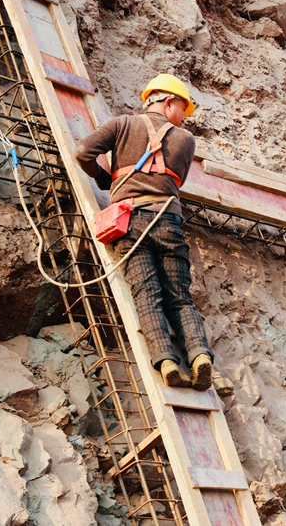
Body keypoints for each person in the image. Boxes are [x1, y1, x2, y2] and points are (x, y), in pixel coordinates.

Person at [75, 73, 214, 390]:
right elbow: (173, 182)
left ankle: (166, 362)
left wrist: (104, 178)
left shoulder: (121, 124)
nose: (183, 117)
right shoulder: (185, 141)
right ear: (168, 103)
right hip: (167, 220)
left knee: (146, 296)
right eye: (183, 110)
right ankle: (199, 357)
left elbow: (82, 152)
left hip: (128, 223)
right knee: (180, 298)